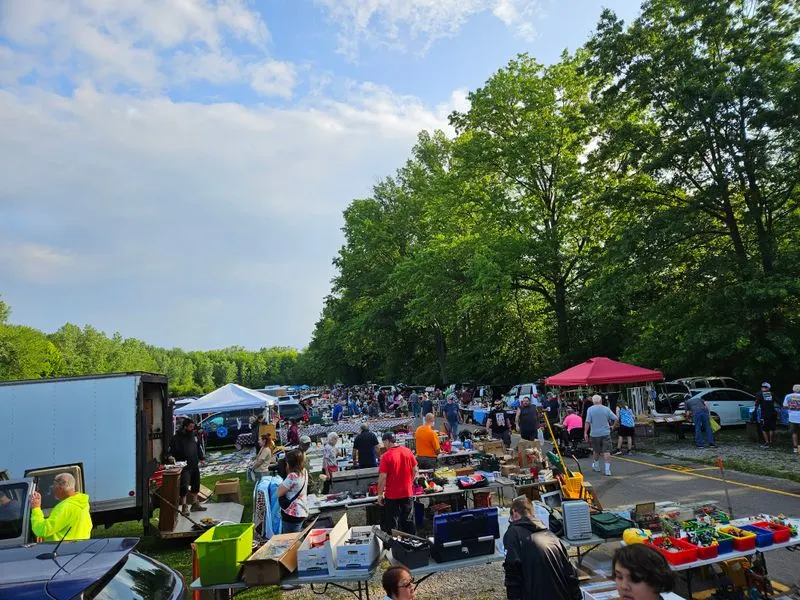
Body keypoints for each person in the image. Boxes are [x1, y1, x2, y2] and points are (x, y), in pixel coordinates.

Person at [502, 496, 581, 600]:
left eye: (511, 519)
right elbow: (570, 574)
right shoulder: (552, 537)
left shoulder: (513, 533)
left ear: (515, 512)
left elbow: (512, 571)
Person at [30, 473, 93, 542]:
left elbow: (41, 530)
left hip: (62, 547)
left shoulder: (65, 507)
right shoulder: (82, 503)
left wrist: (36, 508)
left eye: (53, 487)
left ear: (60, 488)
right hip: (80, 546)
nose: (52, 490)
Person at [377, 432, 418, 534]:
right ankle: (412, 542)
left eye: (384, 442)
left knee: (393, 523)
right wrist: (409, 482)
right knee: (408, 521)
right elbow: (415, 470)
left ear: (387, 441)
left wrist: (379, 494)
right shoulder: (408, 451)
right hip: (407, 492)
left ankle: (395, 542)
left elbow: (382, 477)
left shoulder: (386, 456)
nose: (384, 445)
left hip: (392, 494)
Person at [167, 418, 206, 516]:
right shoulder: (177, 438)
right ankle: (184, 506)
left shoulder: (194, 436)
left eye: (193, 427)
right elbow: (170, 450)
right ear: (185, 427)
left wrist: (201, 458)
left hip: (194, 464)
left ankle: (195, 504)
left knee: (196, 484)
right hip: (184, 465)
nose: (192, 429)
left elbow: (198, 447)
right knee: (184, 486)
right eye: (190, 427)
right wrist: (170, 456)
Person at [584, 395, 618, 476]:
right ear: (601, 401)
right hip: (605, 433)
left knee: (596, 451)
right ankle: (607, 470)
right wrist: (613, 426)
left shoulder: (590, 409)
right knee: (607, 451)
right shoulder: (606, 409)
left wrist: (585, 433)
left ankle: (596, 466)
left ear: (593, 402)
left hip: (594, 434)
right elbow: (616, 418)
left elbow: (587, 422)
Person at [276, 449, 308, 533]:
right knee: (297, 534)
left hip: (292, 513)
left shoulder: (292, 476)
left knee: (290, 538)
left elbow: (278, 493)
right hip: (302, 509)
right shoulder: (304, 471)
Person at [755, 382, 778, 448]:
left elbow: (756, 404)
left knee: (764, 429)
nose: (762, 388)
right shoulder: (772, 394)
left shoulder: (759, 394)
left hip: (764, 414)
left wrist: (755, 411)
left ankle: (767, 442)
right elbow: (777, 401)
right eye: (762, 387)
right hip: (772, 413)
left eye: (763, 387)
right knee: (771, 428)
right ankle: (771, 442)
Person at [783, 384, 800, 455]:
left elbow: (784, 406)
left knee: (794, 433)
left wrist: (791, 407)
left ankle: (795, 450)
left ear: (793, 389)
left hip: (792, 418)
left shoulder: (788, 396)